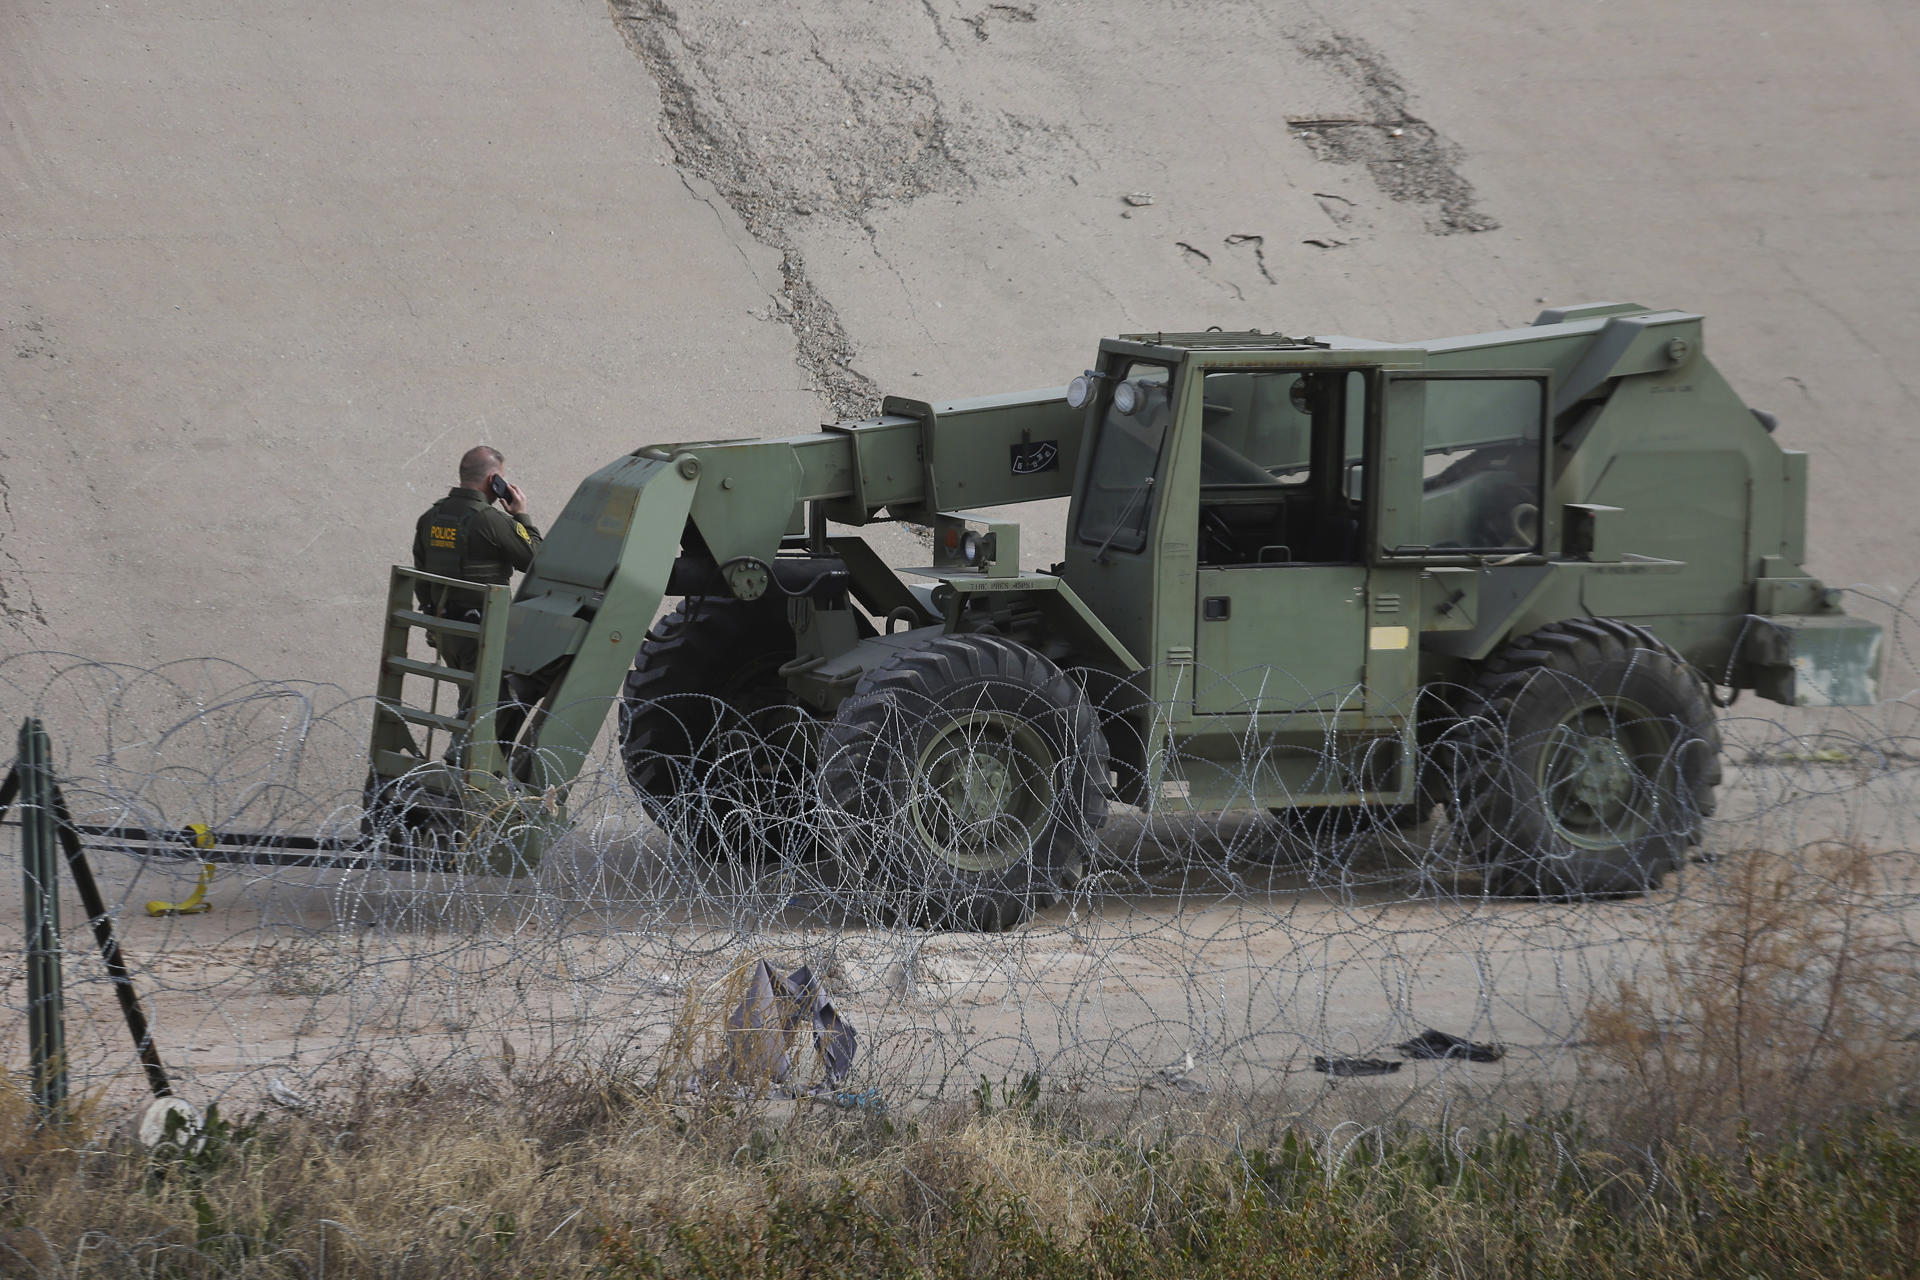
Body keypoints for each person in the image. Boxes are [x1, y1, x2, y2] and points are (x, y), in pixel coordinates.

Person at [412, 445, 544, 753]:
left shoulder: (430, 518)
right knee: (487, 706)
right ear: (494, 480)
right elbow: (538, 560)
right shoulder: (492, 521)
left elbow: (421, 577)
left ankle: (469, 768)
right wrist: (521, 514)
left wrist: (433, 626)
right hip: (481, 631)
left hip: (446, 630)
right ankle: (460, 771)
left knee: (473, 699)